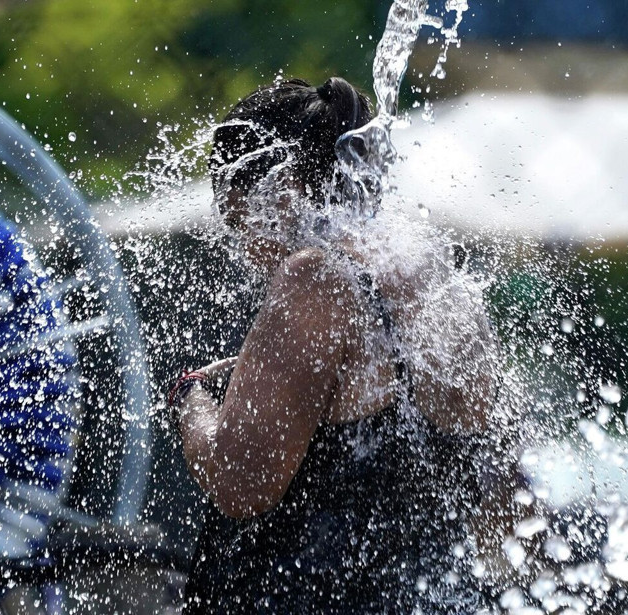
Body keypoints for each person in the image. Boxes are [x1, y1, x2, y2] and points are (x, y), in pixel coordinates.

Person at [169, 77, 502, 613]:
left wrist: (190, 399)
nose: (242, 248)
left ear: (282, 190)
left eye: (237, 221)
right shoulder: (430, 269)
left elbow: (241, 482)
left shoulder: (313, 280)